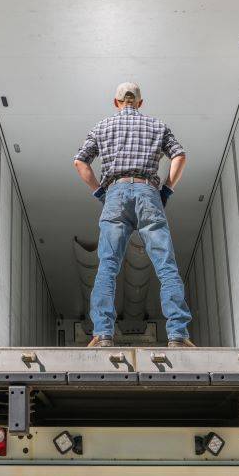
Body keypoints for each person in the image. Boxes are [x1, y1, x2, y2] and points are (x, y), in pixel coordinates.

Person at [73, 82, 195, 348]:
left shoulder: (101, 127)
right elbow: (179, 156)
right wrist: (166, 190)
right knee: (165, 265)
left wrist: (99, 193)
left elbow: (80, 162)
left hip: (115, 194)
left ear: (116, 102)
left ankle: (103, 334)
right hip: (148, 192)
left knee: (108, 266)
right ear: (140, 103)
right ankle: (178, 335)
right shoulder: (157, 126)